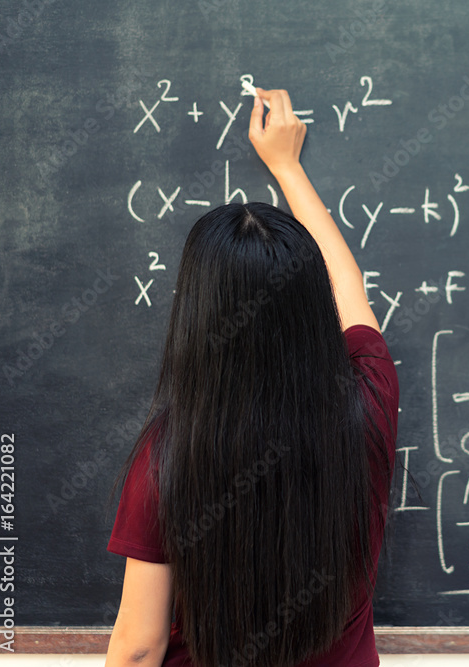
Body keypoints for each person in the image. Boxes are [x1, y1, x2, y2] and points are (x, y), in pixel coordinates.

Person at [105, 89, 397, 667]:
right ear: (311, 304)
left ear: (197, 313)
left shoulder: (169, 456)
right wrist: (287, 167)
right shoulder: (368, 400)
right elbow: (348, 286)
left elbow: (139, 649)